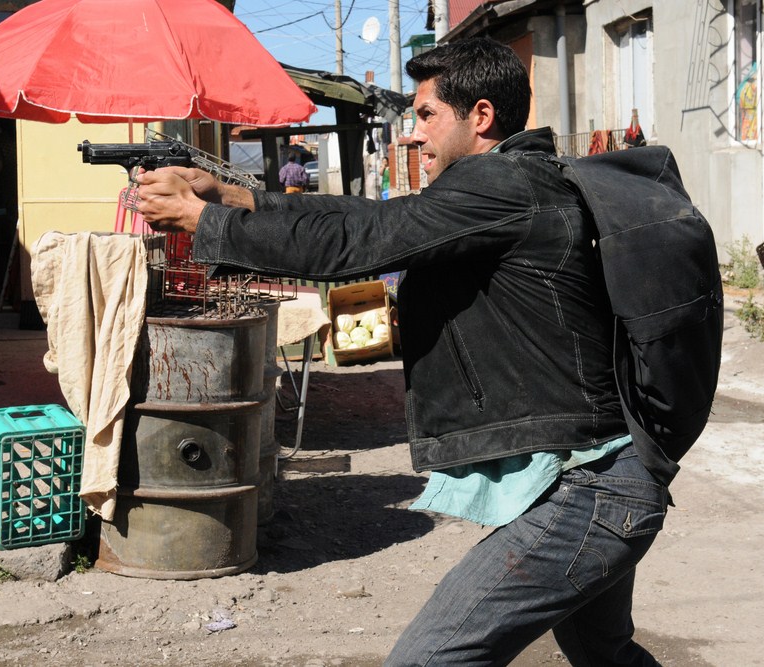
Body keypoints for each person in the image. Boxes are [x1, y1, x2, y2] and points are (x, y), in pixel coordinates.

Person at [136, 37, 669, 666]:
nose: (414, 135)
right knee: (606, 656)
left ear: (481, 117)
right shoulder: (506, 185)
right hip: (600, 478)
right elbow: (372, 215)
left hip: (587, 490)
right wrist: (237, 198)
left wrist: (209, 224)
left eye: (426, 115)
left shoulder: (503, 187)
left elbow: (367, 238)